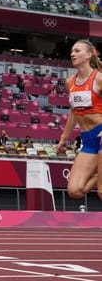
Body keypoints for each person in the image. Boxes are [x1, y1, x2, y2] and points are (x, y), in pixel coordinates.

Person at [57, 39, 102, 202]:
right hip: (88, 140)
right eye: (72, 51)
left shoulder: (99, 79)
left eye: (77, 51)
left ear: (89, 55)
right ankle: (97, 174)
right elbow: (74, 111)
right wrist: (64, 138)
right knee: (75, 191)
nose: (72, 54)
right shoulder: (70, 82)